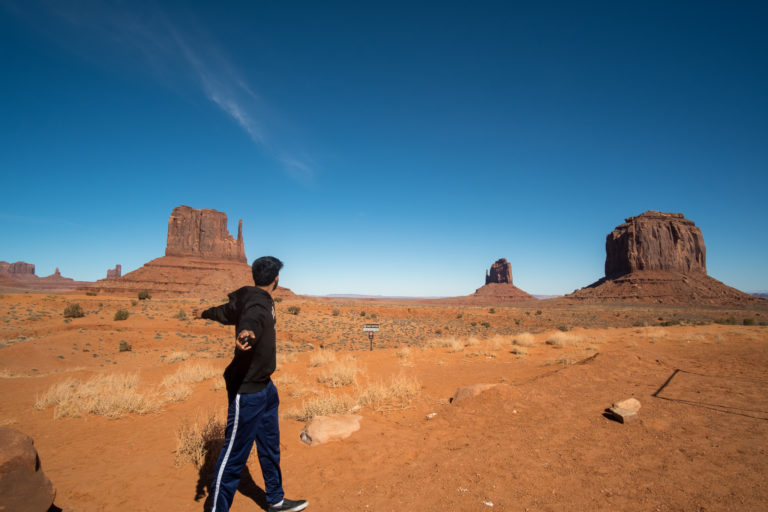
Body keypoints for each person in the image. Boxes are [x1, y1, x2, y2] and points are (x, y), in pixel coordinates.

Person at [193, 256, 308, 512]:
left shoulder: (249, 298)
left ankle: (275, 500)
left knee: (269, 446)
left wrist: (203, 313)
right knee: (234, 456)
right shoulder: (257, 303)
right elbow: (250, 320)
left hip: (266, 388)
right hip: (247, 393)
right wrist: (246, 332)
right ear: (276, 279)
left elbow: (225, 312)